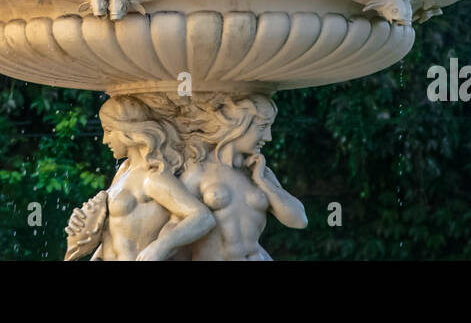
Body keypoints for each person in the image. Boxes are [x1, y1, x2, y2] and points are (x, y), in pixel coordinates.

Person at [64, 94, 214, 261]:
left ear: (127, 130)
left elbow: (203, 217)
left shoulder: (152, 178)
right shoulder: (124, 170)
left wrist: (160, 247)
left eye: (108, 131)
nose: (105, 140)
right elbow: (114, 231)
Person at [179, 95, 308, 261]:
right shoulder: (199, 172)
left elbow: (299, 220)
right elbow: (175, 226)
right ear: (239, 126)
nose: (268, 137)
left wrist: (263, 182)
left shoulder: (260, 173)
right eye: (262, 127)